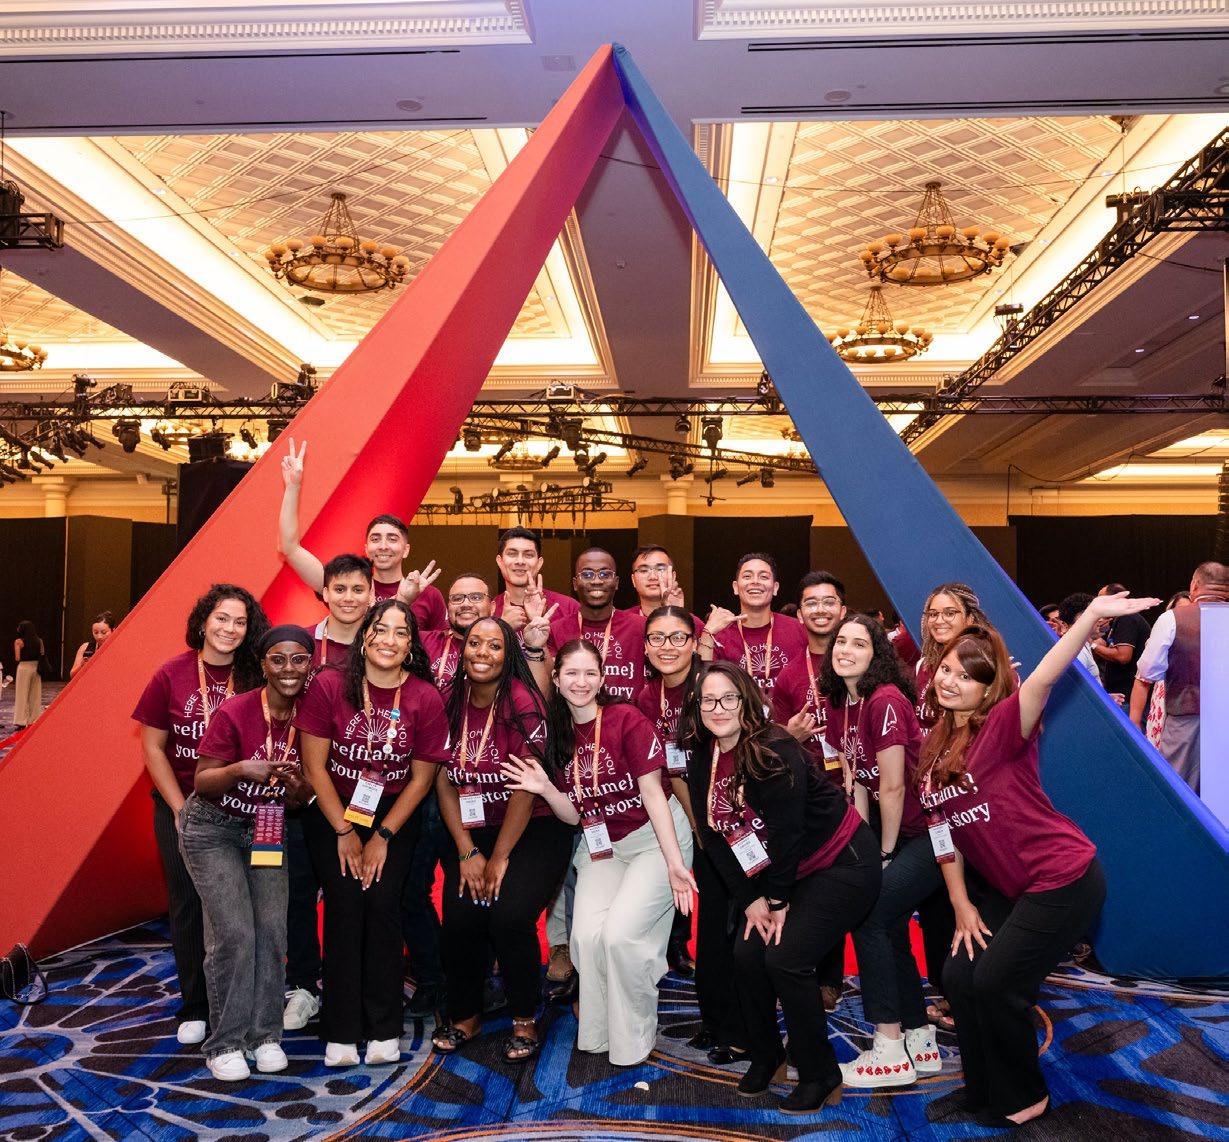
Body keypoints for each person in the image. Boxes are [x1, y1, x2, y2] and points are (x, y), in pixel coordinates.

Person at [916, 594, 1154, 1126]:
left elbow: (1044, 678)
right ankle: (983, 1090)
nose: (950, 681)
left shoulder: (1002, 725)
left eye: (966, 677)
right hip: (1009, 888)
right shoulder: (934, 748)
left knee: (996, 982)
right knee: (958, 977)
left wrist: (1089, 619)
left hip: (1063, 877)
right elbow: (941, 834)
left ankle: (1025, 1096)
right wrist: (960, 904)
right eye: (947, 670)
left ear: (988, 689)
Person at [680, 661, 879, 1114]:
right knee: (746, 955)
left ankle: (819, 1073)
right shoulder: (703, 754)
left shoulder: (775, 749)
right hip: (781, 873)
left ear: (746, 701)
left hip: (841, 862)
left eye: (728, 698)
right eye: (708, 700)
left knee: (785, 959)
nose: (718, 708)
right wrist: (750, 899)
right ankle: (766, 1054)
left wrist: (776, 901)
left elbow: (788, 835)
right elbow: (710, 833)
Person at [502, 639, 694, 1067]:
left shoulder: (627, 719)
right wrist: (546, 789)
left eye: (590, 673)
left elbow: (653, 795)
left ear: (603, 678)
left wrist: (674, 863)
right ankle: (600, 1030)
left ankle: (633, 1036)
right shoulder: (558, 735)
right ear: (556, 679)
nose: (581, 682)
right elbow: (573, 815)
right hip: (601, 844)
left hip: (653, 838)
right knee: (586, 938)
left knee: (620, 937)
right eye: (571, 673)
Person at [294, 599, 450, 1067]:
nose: (389, 639)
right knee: (345, 903)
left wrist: (382, 836)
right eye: (381, 629)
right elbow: (314, 767)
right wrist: (344, 830)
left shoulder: (425, 696)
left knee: (383, 905)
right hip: (333, 809)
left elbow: (421, 780)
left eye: (401, 633)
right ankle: (341, 1028)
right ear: (365, 636)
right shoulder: (328, 684)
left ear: (411, 645)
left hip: (393, 814)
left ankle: (384, 1026)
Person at [430, 616, 573, 1062]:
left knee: (509, 916)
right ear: (462, 651)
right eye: (475, 643)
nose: (483, 653)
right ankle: (466, 1014)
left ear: (508, 655)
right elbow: (442, 781)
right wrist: (467, 850)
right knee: (461, 916)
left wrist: (500, 857)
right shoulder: (447, 700)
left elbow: (524, 790)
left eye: (495, 646)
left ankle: (525, 1016)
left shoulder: (523, 702)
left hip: (535, 826)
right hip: (474, 828)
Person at [133, 584, 270, 1046]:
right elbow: (153, 748)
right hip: (181, 805)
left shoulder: (255, 675)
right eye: (221, 618)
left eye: (240, 622)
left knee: (247, 908)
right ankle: (195, 1005)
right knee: (189, 904)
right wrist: (179, 808)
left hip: (245, 811)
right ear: (203, 621)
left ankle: (245, 1004)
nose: (230, 629)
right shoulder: (171, 674)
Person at [180, 625, 313, 1081]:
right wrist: (239, 769)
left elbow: (306, 798)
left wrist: (299, 790)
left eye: (299, 659)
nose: (289, 668)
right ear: (263, 664)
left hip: (267, 830)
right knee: (234, 933)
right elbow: (202, 782)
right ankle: (226, 1042)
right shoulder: (236, 710)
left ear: (310, 665)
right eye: (278, 659)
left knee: (272, 931)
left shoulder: (312, 717)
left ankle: (264, 1035)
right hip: (212, 829)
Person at [818, 614, 940, 1088]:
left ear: (877, 655)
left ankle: (888, 1047)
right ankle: (919, 1038)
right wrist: (865, 847)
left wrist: (884, 855)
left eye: (859, 643)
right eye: (840, 642)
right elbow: (859, 784)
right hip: (895, 832)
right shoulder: (842, 703)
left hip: (930, 832)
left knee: (869, 915)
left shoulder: (885, 699)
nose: (845, 650)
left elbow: (892, 786)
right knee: (887, 922)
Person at [637, 606, 747, 1063]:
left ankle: (742, 1027)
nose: (668, 647)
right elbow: (669, 769)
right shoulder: (646, 696)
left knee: (737, 922)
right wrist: (696, 821)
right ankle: (717, 1020)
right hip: (692, 815)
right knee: (712, 924)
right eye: (657, 638)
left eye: (678, 637)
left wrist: (706, 820)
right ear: (645, 646)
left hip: (731, 816)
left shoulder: (712, 685)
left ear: (693, 640)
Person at [770, 571, 848, 1011]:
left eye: (828, 601)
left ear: (842, 610)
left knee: (838, 885)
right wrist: (790, 733)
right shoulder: (789, 674)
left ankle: (831, 978)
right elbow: (775, 738)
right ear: (799, 615)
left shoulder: (858, 660)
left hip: (855, 792)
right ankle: (802, 971)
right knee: (805, 882)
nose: (820, 610)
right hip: (806, 793)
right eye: (811, 603)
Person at [278, 438, 447, 630]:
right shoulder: (345, 586)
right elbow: (290, 548)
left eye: (392, 539)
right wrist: (293, 487)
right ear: (366, 548)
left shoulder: (428, 595)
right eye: (375, 539)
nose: (383, 546)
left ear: (406, 549)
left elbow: (439, 645)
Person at [1131, 562, 1228, 793]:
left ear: (1194, 585)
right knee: (1222, 794)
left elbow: (1148, 672)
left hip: (1186, 718)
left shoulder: (1172, 619)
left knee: (1179, 790)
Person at [705, 553, 808, 697]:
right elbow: (703, 683)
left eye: (763, 577)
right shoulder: (720, 636)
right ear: (735, 587)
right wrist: (707, 632)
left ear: (775, 587)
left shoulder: (799, 629)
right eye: (747, 576)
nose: (755, 581)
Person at [548, 548, 645, 701]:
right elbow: (547, 689)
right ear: (575, 584)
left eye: (605, 574)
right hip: (573, 715)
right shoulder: (556, 630)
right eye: (587, 574)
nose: (596, 581)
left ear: (616, 583)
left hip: (628, 715)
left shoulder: (640, 627)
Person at [915, 583, 988, 728]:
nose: (939, 621)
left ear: (970, 618)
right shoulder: (923, 665)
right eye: (933, 614)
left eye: (949, 613)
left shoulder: (987, 666)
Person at [491, 526, 580, 632]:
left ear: (539, 563)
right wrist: (503, 627)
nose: (520, 561)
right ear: (500, 561)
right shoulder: (489, 610)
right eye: (512, 554)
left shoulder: (569, 607)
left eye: (528, 555)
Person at [1132, 591, 1190, 748]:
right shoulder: (1160, 637)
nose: (1185, 614)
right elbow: (1142, 679)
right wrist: (1134, 722)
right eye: (1181, 610)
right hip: (1163, 702)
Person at [421, 574, 493, 688]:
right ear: (448, 607)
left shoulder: (502, 649)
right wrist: (403, 599)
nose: (466, 604)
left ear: (492, 607)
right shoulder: (425, 642)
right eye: (457, 598)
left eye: (476, 597)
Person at [1089, 582, 1152, 701]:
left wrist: (1092, 645)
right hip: (1121, 694)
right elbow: (1102, 643)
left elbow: (1123, 656)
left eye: (1101, 599)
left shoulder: (1127, 617)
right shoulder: (1116, 620)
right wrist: (1091, 631)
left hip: (1127, 696)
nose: (1097, 604)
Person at [311, 555, 375, 670]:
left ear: (370, 595)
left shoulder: (381, 644)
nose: (348, 598)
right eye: (340, 590)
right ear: (326, 594)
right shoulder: (304, 642)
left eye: (358, 590)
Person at [12, 620, 44, 729]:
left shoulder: (19, 642)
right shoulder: (39, 641)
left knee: (22, 694)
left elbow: (17, 658)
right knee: (35, 694)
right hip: (36, 667)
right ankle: (34, 719)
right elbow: (42, 654)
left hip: (24, 667)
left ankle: (21, 721)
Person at [70, 611, 114, 677]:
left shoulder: (118, 648)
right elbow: (72, 675)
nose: (99, 637)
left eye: (104, 632)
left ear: (113, 630)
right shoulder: (85, 647)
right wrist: (82, 665)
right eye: (96, 632)